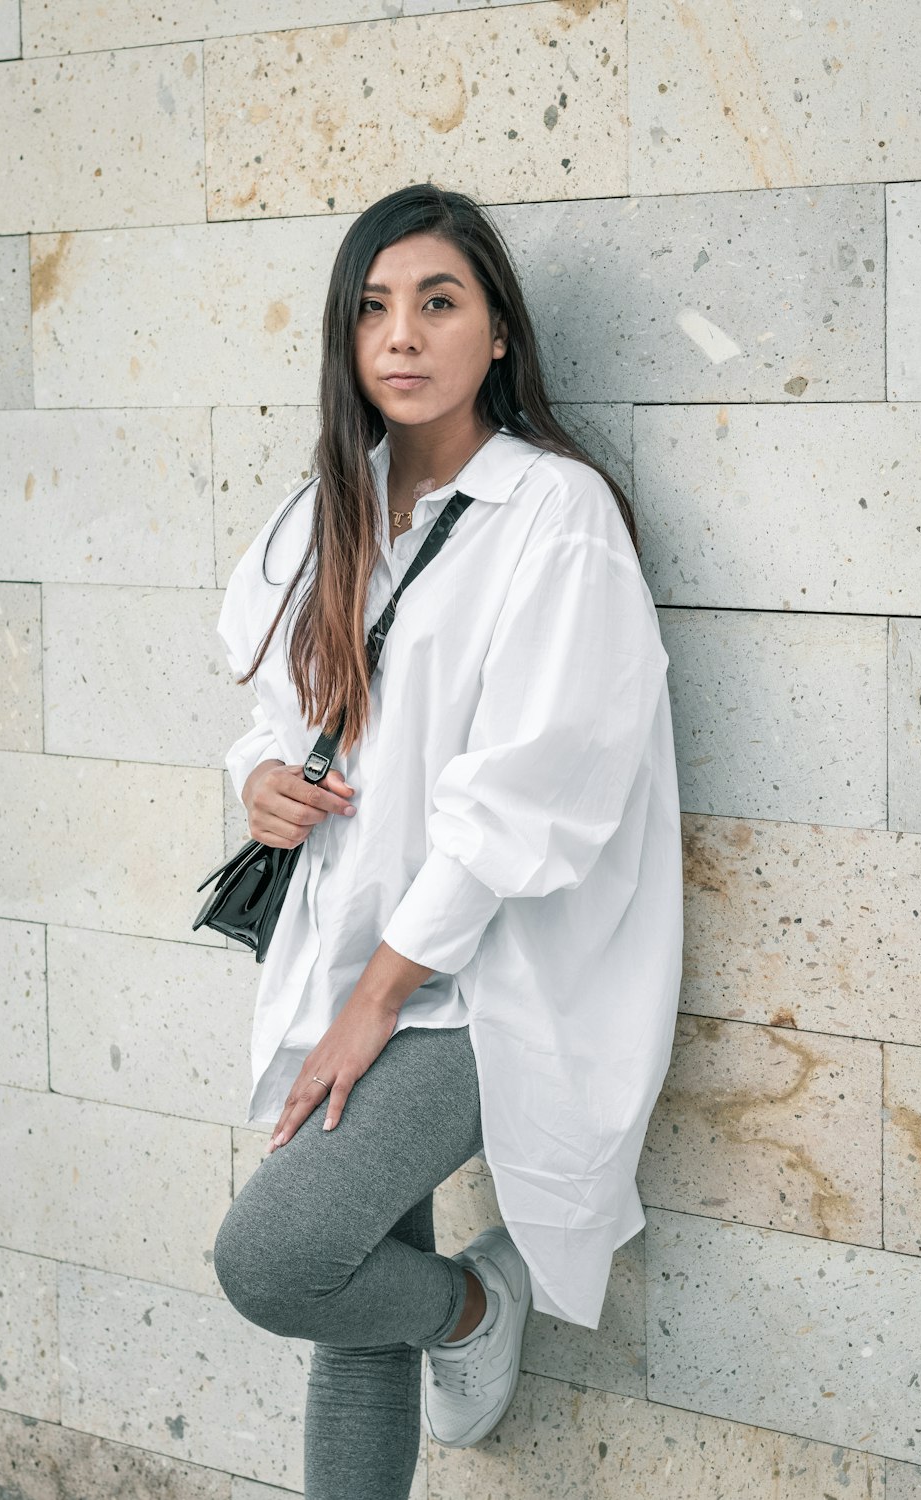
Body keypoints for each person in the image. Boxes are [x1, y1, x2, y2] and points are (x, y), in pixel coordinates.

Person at [210, 183, 683, 1500]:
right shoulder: (329, 509)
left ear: (498, 337)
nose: (403, 336)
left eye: (438, 302)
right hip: (354, 941)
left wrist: (373, 1005)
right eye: (373, 309)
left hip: (485, 978)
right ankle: (448, 1323)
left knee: (281, 1260)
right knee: (348, 1322)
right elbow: (271, 711)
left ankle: (474, 1314)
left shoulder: (554, 515)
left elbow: (526, 797)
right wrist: (262, 781)